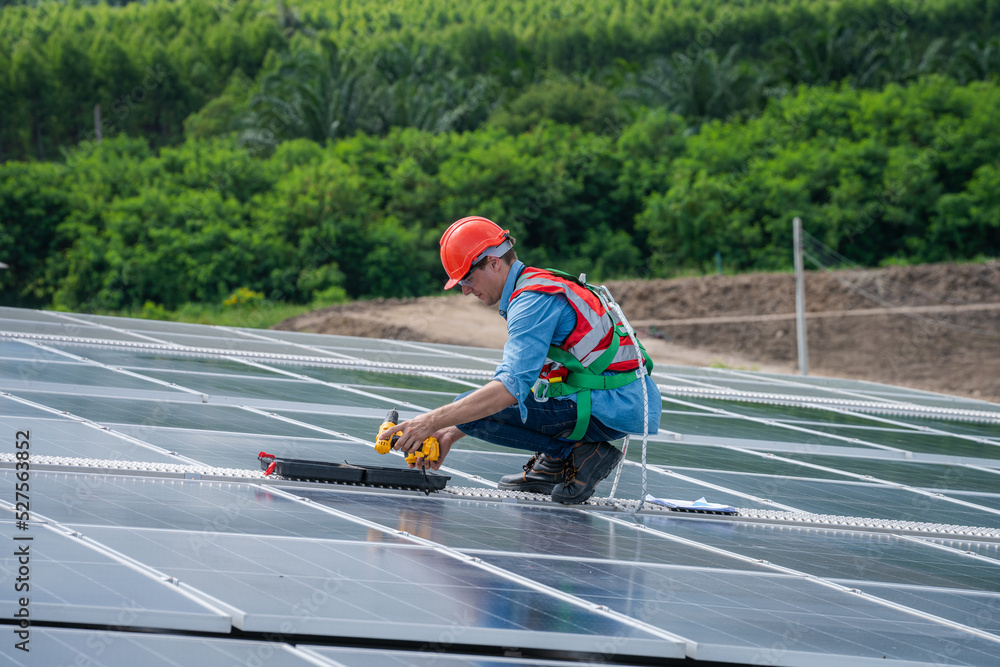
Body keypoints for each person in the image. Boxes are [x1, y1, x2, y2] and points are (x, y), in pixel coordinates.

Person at [388, 216, 661, 504]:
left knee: (467, 404)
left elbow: (509, 389)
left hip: (612, 406)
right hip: (619, 400)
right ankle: (558, 461)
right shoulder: (537, 284)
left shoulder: (532, 300)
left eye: (468, 278)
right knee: (467, 413)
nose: (465, 289)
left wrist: (430, 422)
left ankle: (576, 454)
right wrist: (448, 432)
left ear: (494, 262)